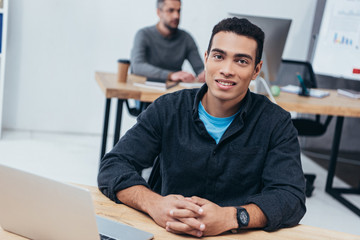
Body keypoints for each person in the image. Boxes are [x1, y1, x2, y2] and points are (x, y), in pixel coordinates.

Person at [98, 17, 306, 237]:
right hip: (166, 232)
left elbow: (290, 197)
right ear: (206, 59)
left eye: (241, 61)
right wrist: (154, 203)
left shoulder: (276, 123)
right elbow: (113, 166)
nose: (227, 70)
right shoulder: (168, 108)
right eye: (218, 56)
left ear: (256, 70)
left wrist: (233, 217)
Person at [130, 0, 205, 83]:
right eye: (171, 10)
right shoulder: (143, 34)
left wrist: (204, 74)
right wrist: (170, 75)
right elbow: (137, 66)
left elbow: (200, 69)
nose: (176, 16)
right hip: (146, 90)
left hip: (174, 92)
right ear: (159, 12)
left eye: (178, 11)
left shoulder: (186, 38)